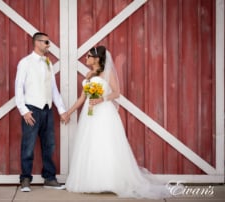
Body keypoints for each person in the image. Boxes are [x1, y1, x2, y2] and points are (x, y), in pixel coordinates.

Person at [65, 45, 171, 199]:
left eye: (88, 56)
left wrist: (102, 99)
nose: (86, 58)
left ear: (97, 58)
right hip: (89, 116)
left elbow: (116, 93)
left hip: (104, 113)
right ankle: (91, 181)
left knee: (106, 144)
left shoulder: (107, 74)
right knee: (90, 145)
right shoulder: (88, 74)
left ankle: (111, 181)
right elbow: (83, 98)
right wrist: (68, 112)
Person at [15, 32, 69, 192]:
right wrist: (24, 110)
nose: (48, 45)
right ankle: (25, 179)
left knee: (49, 145)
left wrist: (61, 109)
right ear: (37, 42)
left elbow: (53, 88)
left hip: (47, 109)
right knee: (28, 146)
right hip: (31, 109)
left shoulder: (48, 63)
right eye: (46, 42)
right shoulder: (25, 62)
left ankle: (50, 179)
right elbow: (18, 87)